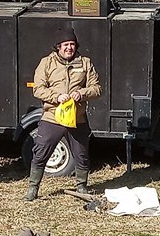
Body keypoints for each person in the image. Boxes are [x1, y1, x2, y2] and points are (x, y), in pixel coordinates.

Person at [24, 26, 102, 201]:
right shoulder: (46, 63)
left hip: (77, 118)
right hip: (52, 117)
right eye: (65, 44)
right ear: (58, 46)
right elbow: (38, 89)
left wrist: (81, 93)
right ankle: (33, 188)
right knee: (41, 151)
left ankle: (81, 186)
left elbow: (97, 89)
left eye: (72, 44)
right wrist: (56, 96)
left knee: (81, 154)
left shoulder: (85, 63)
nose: (69, 48)